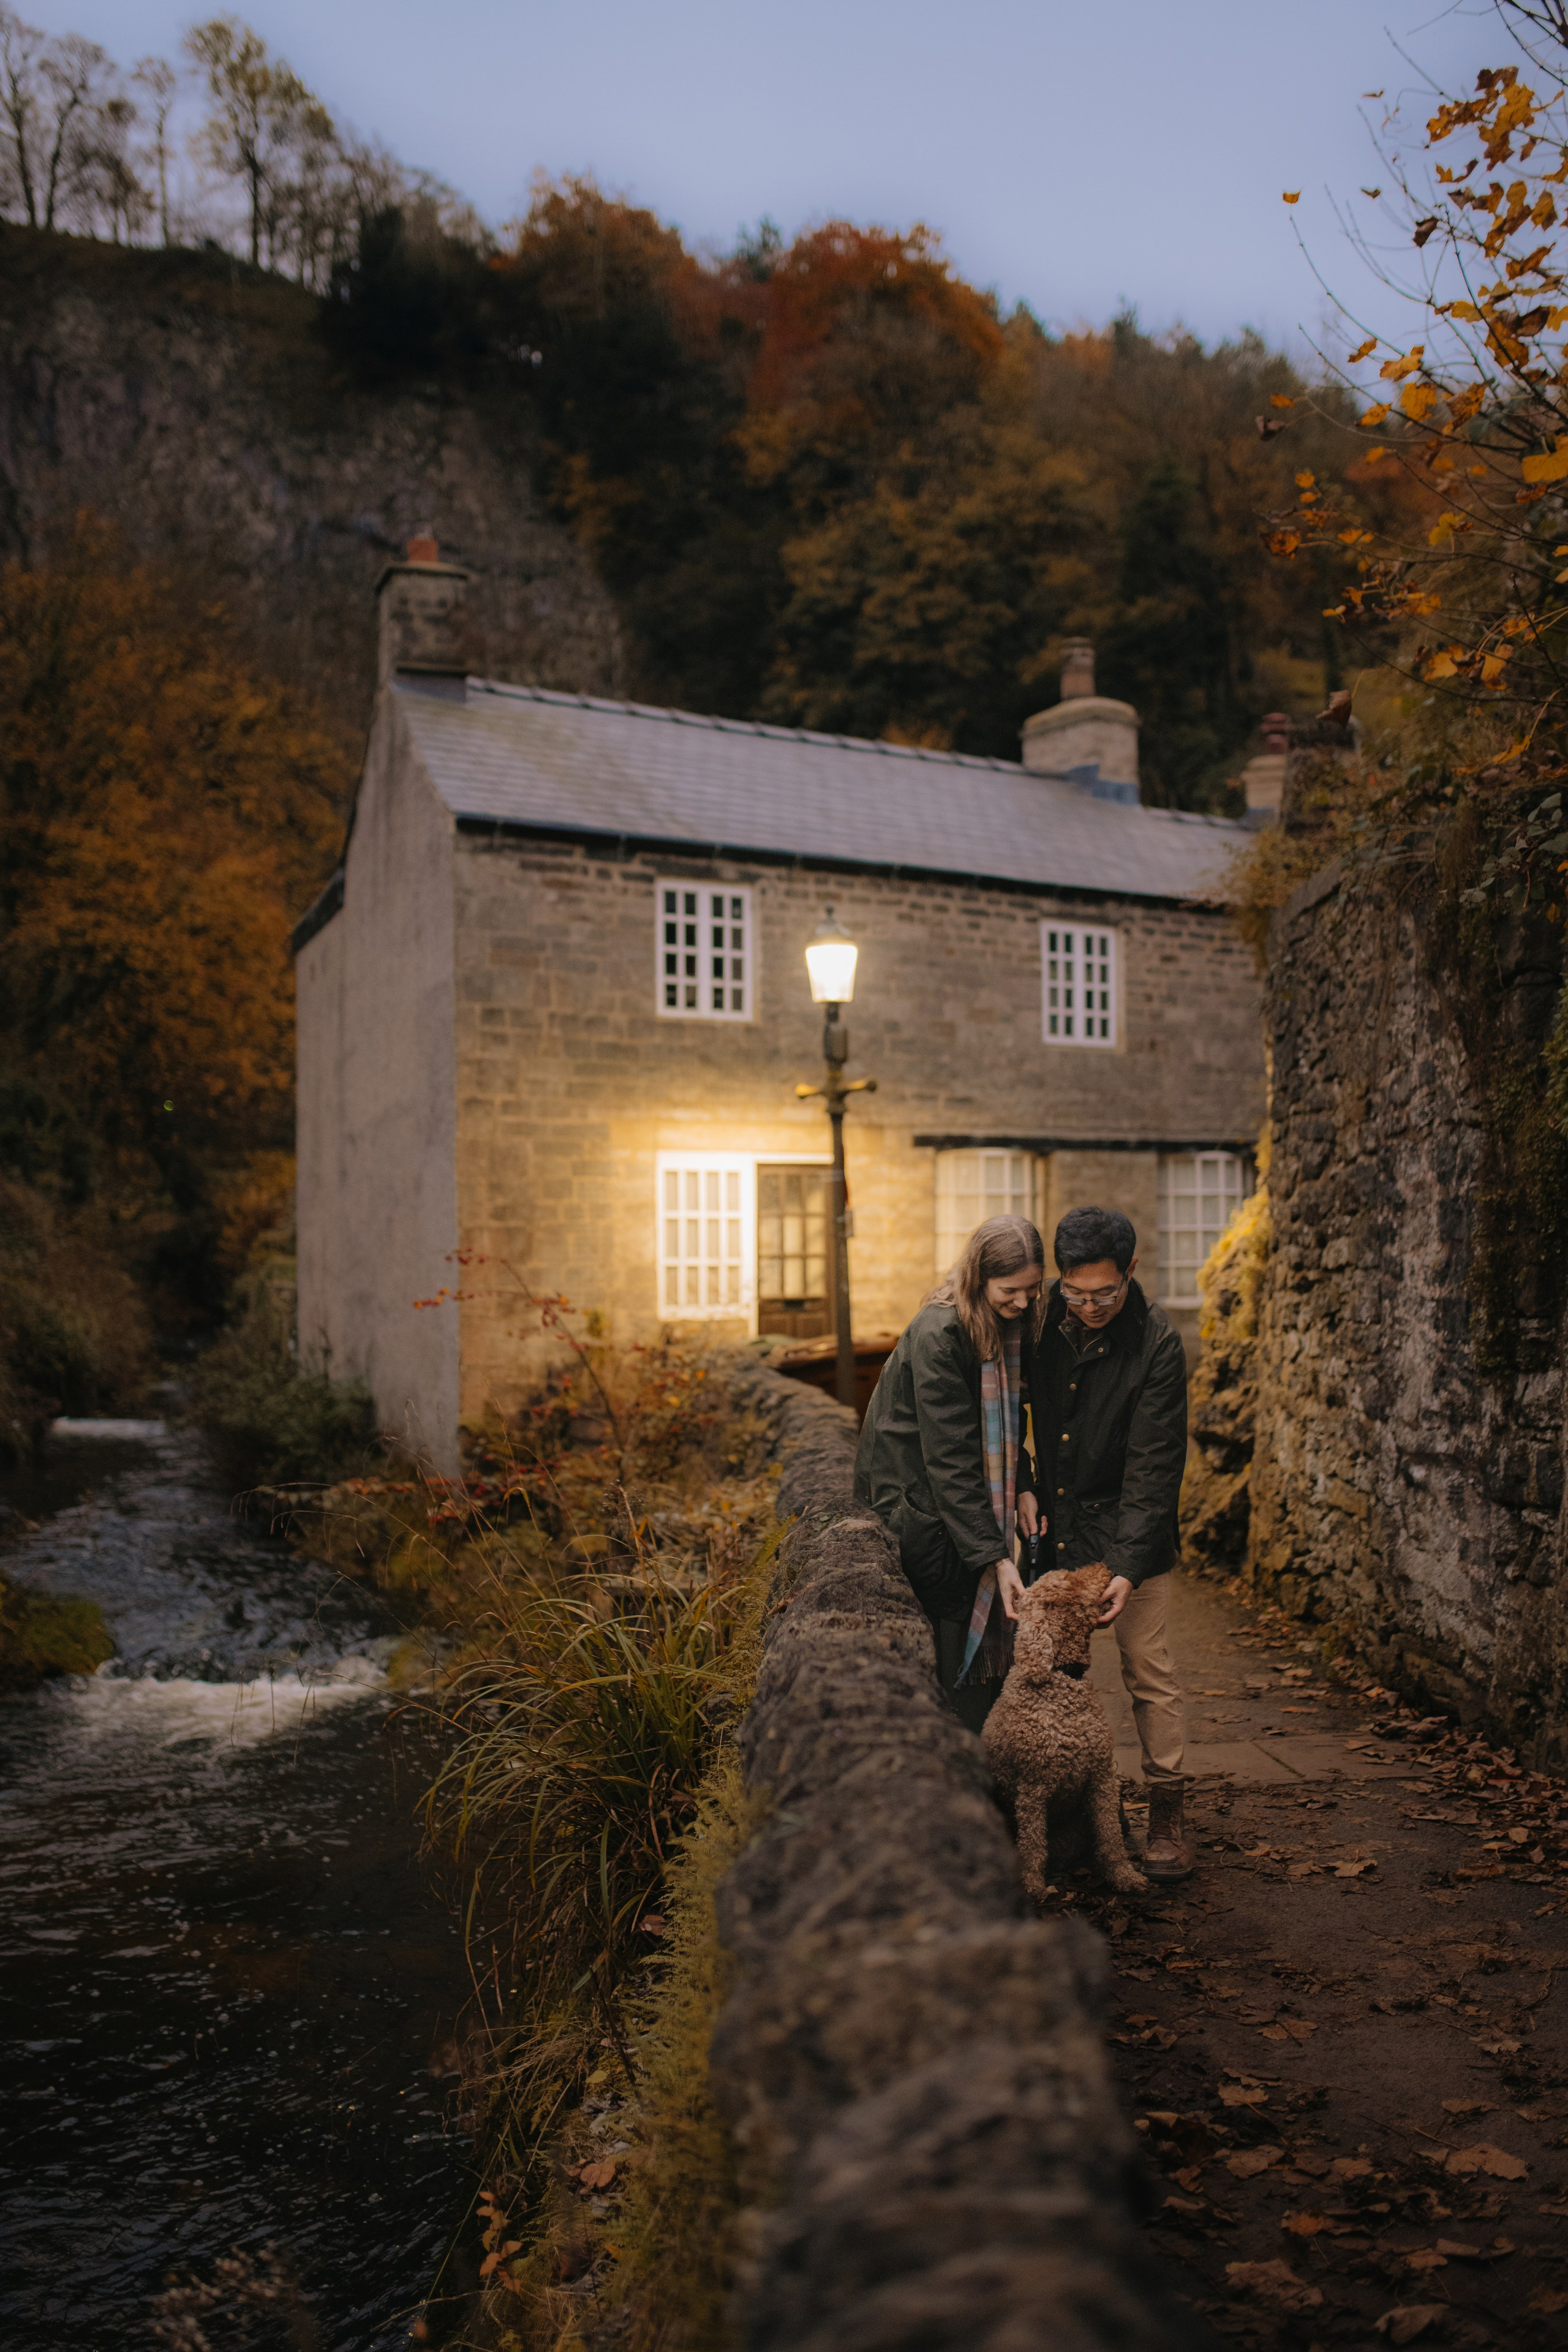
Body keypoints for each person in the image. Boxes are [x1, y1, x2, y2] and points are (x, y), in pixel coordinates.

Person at [1011, 1204, 1193, 1883]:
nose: (1089, 1307)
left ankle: (1168, 1811)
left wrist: (1126, 1565)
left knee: (1147, 1670)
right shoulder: (1039, 1327)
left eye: (1104, 1294)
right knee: (1057, 1678)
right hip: (1056, 1530)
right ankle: (1076, 1816)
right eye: (1075, 1293)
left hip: (1130, 1534)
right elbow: (1007, 1414)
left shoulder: (1156, 1343)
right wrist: (1026, 1481)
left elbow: (1155, 1464)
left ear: (1131, 1272)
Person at [853, 1215, 1046, 1733]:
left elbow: (1010, 1416)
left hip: (950, 1502)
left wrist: (1023, 1484)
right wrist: (995, 1558)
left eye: (1033, 1289)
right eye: (1011, 1290)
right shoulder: (940, 1335)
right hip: (916, 1507)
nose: (1024, 1304)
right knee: (952, 1644)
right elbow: (952, 1460)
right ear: (978, 1278)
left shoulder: (1002, 1321)